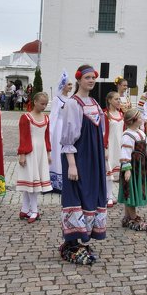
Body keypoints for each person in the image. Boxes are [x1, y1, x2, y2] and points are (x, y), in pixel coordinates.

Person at [59, 65, 106, 265]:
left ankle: (84, 237)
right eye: (87, 77)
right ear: (79, 80)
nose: (91, 80)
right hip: (78, 158)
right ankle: (71, 242)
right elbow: (68, 137)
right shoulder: (72, 104)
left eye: (93, 77)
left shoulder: (94, 102)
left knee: (91, 194)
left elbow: (100, 132)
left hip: (93, 157)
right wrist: (71, 164)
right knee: (77, 193)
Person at [17, 91, 52, 222]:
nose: (44, 106)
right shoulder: (26, 117)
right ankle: (34, 210)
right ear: (35, 102)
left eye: (46, 104)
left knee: (33, 181)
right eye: (42, 103)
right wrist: (22, 154)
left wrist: (48, 153)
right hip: (30, 152)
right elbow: (23, 137)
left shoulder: (46, 118)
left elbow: (47, 137)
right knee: (30, 180)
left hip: (41, 152)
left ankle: (25, 209)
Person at [118, 107, 147, 232]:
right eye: (140, 117)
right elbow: (125, 153)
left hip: (141, 167)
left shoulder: (140, 133)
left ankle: (128, 217)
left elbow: (145, 150)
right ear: (133, 120)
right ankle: (134, 217)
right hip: (132, 167)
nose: (142, 118)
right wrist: (127, 169)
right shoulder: (127, 135)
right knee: (130, 191)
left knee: (134, 190)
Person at [49, 72, 72, 192]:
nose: (71, 86)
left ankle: (64, 180)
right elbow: (53, 116)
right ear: (63, 85)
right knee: (57, 152)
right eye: (69, 84)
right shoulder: (57, 99)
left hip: (67, 128)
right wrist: (51, 133)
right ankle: (54, 182)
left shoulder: (70, 99)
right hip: (58, 128)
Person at [103, 91, 124, 207]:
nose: (118, 101)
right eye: (116, 99)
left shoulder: (121, 114)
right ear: (110, 100)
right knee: (108, 172)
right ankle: (108, 196)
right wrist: (105, 147)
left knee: (117, 172)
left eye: (119, 99)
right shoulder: (105, 114)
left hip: (119, 146)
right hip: (110, 146)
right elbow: (104, 132)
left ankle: (112, 195)